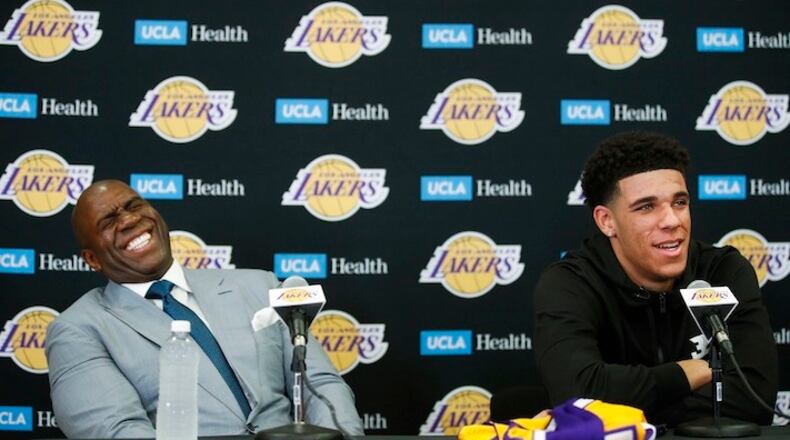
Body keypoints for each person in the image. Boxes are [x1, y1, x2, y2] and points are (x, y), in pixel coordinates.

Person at [45, 180, 364, 438]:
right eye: (109, 221)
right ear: (92, 259)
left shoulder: (261, 285)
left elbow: (322, 388)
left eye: (134, 206)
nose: (128, 219)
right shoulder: (79, 329)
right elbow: (118, 430)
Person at [533, 131, 778, 427]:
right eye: (646, 207)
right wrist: (686, 374)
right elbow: (578, 396)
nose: (672, 221)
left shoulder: (724, 271)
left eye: (679, 202)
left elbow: (756, 397)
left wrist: (633, 411)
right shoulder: (569, 284)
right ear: (606, 221)